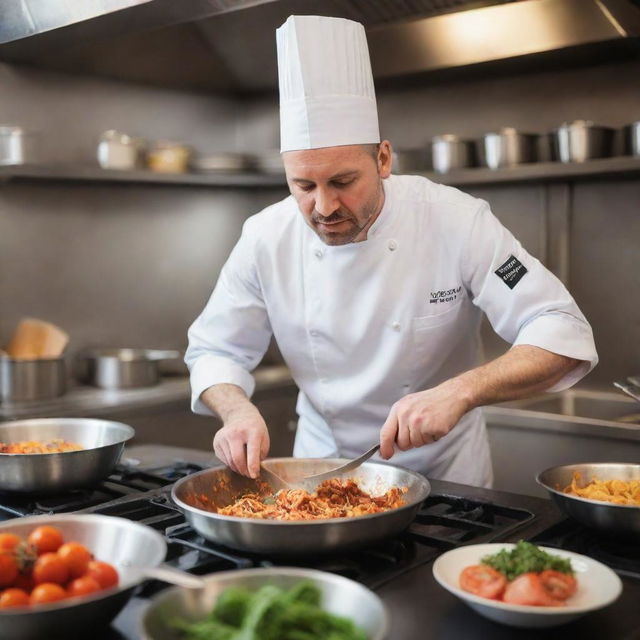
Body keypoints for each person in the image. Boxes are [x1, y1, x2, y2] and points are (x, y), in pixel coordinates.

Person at [185, 15, 598, 487]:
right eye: (303, 185)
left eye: (343, 182)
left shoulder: (456, 220)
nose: (323, 207)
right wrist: (236, 409)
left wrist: (461, 391)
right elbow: (215, 349)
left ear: (383, 159)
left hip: (445, 472)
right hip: (323, 467)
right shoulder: (265, 236)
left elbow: (561, 330)